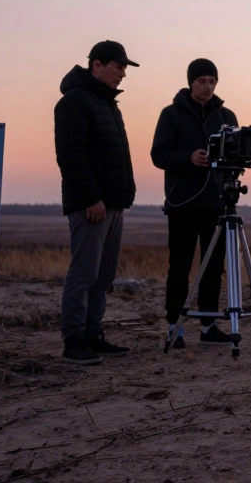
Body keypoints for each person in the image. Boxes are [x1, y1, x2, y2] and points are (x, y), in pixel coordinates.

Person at [54, 40, 139, 365]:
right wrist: (91, 197)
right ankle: (73, 341)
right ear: (97, 65)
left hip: (112, 205)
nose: (122, 75)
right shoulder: (75, 101)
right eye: (119, 67)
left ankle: (93, 335)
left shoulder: (106, 104)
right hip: (92, 205)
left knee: (102, 277)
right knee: (84, 274)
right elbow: (70, 155)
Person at [150, 58, 239, 349]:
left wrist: (226, 164)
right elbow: (158, 155)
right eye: (202, 80)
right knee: (180, 267)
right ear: (191, 82)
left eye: (212, 81)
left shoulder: (226, 115)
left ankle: (209, 326)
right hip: (182, 204)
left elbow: (236, 158)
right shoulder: (171, 114)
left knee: (214, 268)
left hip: (216, 204)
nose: (208, 86)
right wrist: (188, 158)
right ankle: (175, 328)